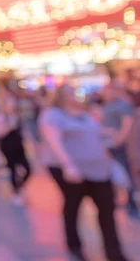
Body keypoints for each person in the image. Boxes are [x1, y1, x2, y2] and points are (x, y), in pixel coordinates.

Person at [40, 84, 129, 261]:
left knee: (107, 210)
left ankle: (115, 254)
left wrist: (107, 133)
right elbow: (53, 141)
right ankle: (74, 246)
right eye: (70, 93)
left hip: (98, 169)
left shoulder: (83, 114)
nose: (74, 96)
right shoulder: (52, 115)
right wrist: (68, 165)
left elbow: (92, 132)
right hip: (73, 170)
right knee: (73, 205)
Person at [101, 81, 138, 218]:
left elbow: (127, 125)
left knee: (126, 174)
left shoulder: (123, 105)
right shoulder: (108, 105)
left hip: (118, 146)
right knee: (114, 174)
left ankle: (132, 203)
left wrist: (118, 141)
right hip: (109, 144)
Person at [0, 95, 31, 205]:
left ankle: (21, 186)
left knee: (28, 168)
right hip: (7, 146)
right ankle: (16, 192)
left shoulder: (18, 115)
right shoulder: (0, 116)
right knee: (13, 169)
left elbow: (24, 130)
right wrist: (10, 125)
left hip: (19, 145)